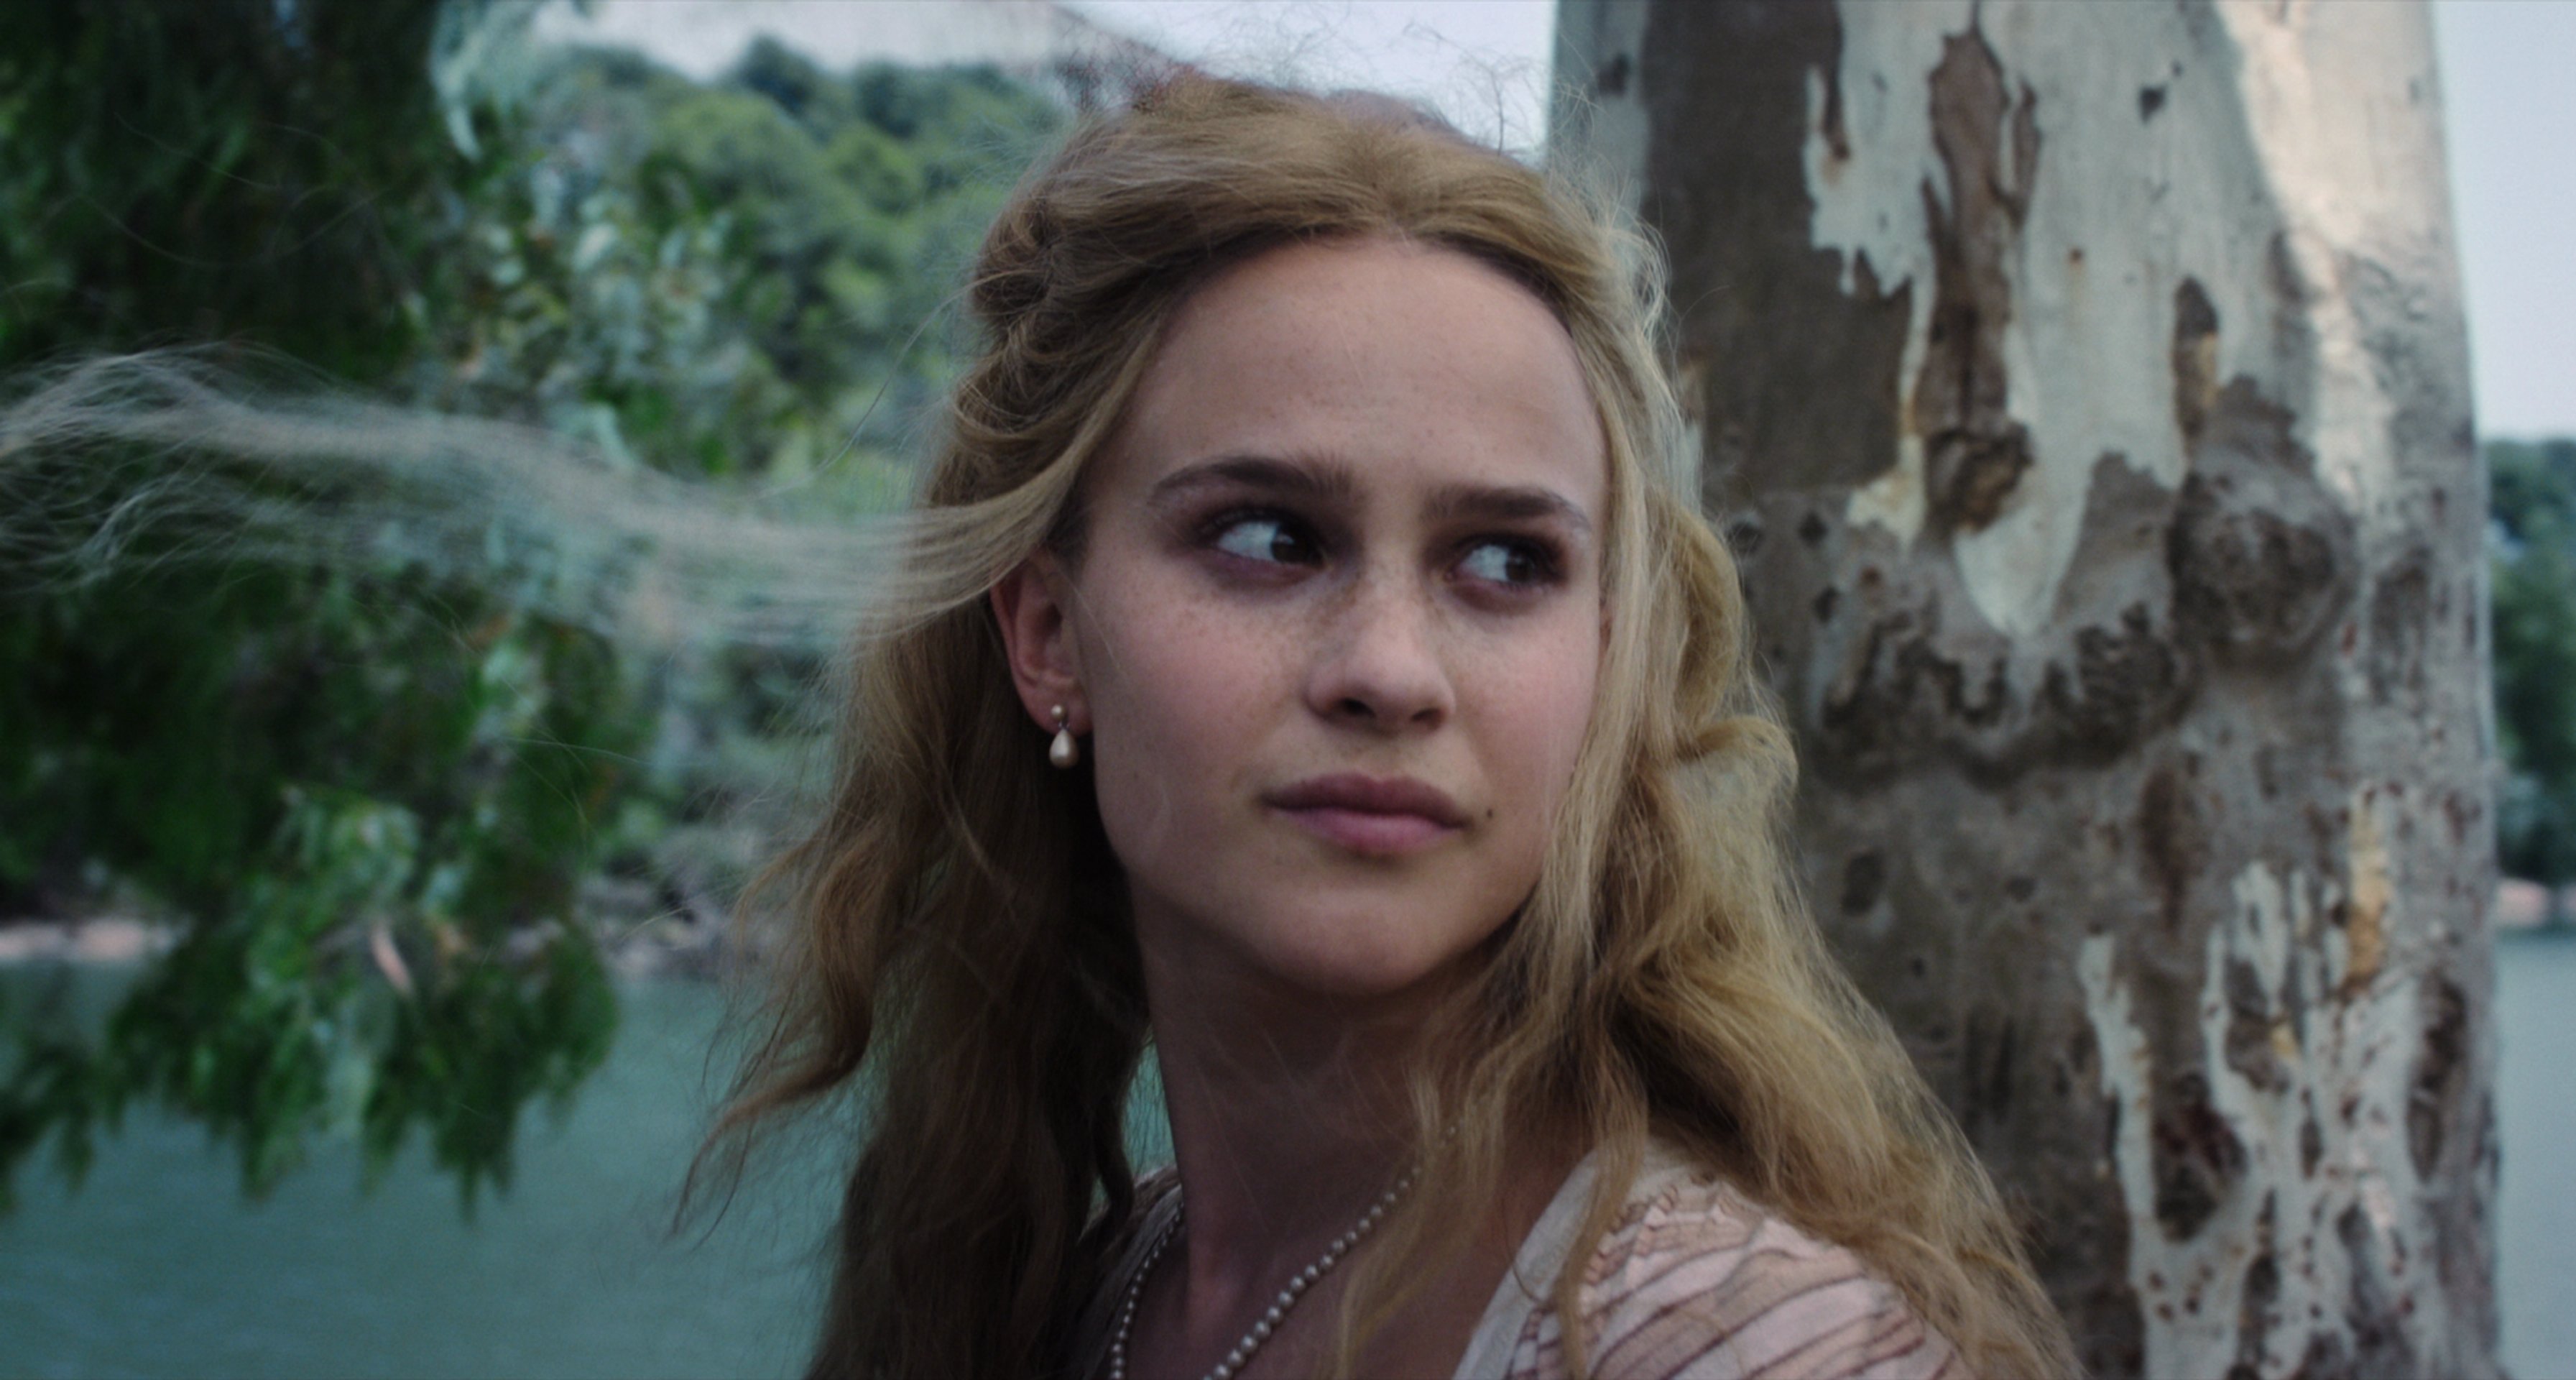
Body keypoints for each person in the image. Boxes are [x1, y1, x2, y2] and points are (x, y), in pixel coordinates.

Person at [706, 75, 2078, 1380]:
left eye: (1503, 564)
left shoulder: (1742, 1347)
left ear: (1609, 661)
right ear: (1048, 638)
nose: (1390, 672)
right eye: (1267, 538)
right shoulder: (1076, 1303)